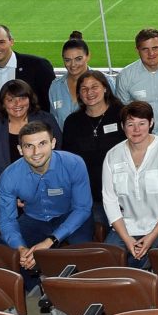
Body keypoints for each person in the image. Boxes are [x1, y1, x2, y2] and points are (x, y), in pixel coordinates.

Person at [0, 122, 92, 271]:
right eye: (28, 146)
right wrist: (20, 249)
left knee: (83, 254)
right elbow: (6, 220)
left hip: (69, 214)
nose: (36, 152)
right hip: (34, 218)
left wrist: (51, 240)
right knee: (8, 254)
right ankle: (39, 288)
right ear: (20, 150)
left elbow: (83, 208)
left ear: (53, 143)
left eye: (42, 144)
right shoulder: (9, 176)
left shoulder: (73, 163)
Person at [101, 101, 158, 267]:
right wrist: (127, 239)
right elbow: (109, 199)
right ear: (122, 126)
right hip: (128, 226)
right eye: (130, 124)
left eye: (142, 123)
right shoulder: (113, 155)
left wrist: (152, 236)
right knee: (107, 261)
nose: (136, 130)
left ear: (151, 123)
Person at [60, 69, 125, 240]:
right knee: (90, 235)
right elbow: (68, 161)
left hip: (122, 193)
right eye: (84, 89)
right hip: (88, 195)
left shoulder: (123, 115)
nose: (89, 93)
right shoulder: (73, 122)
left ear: (105, 88)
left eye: (94, 86)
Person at [0, 24, 55, 143]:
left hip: (35, 140)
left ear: (11, 41)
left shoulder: (37, 66)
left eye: (1, 42)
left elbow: (48, 105)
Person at [0, 80, 61, 185]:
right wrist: (8, 193)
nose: (17, 104)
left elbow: (59, 154)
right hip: (9, 191)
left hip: (47, 186)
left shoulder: (47, 121)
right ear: (3, 103)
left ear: (30, 99)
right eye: (11, 100)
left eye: (22, 98)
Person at [47, 33, 97, 125]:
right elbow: (54, 123)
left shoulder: (105, 82)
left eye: (78, 59)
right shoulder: (56, 87)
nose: (73, 65)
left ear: (88, 56)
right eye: (67, 60)